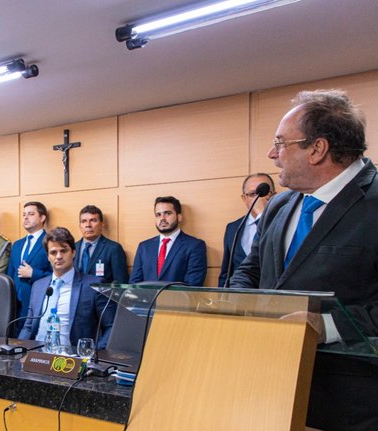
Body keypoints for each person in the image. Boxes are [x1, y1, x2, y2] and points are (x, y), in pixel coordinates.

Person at [229, 89, 378, 431]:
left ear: (317, 149)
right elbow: (250, 271)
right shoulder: (280, 205)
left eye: (280, 143)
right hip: (270, 389)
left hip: (348, 403)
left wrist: (324, 327)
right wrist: (235, 305)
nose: (272, 154)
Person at [18, 227, 116, 348]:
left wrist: (94, 354)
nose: (58, 256)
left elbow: (111, 326)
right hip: (38, 356)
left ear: (73, 252)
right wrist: (19, 350)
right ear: (48, 256)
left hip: (72, 360)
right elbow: (28, 327)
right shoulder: (38, 286)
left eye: (63, 251)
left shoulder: (93, 285)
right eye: (53, 252)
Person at [129, 196, 207, 286]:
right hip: (147, 300)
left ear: (179, 217)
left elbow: (193, 284)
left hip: (177, 300)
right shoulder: (144, 246)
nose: (162, 218)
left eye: (167, 213)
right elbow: (134, 283)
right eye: (158, 214)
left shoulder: (195, 246)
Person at [217, 173, 276, 286]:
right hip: (238, 295)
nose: (259, 198)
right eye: (253, 194)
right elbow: (226, 271)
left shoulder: (281, 223)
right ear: (244, 198)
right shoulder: (233, 228)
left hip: (271, 296)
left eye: (263, 193)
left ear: (273, 195)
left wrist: (262, 215)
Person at [7, 201, 53, 323]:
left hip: (38, 304)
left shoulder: (50, 243)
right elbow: (10, 274)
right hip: (15, 307)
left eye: (31, 214)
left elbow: (58, 277)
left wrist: (34, 274)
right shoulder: (17, 245)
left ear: (42, 218)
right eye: (24, 214)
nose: (26, 217)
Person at [74, 205, 128, 284]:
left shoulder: (113, 248)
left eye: (93, 220)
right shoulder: (72, 248)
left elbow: (121, 282)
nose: (88, 225)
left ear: (102, 224)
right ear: (80, 226)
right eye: (84, 221)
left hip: (101, 296)